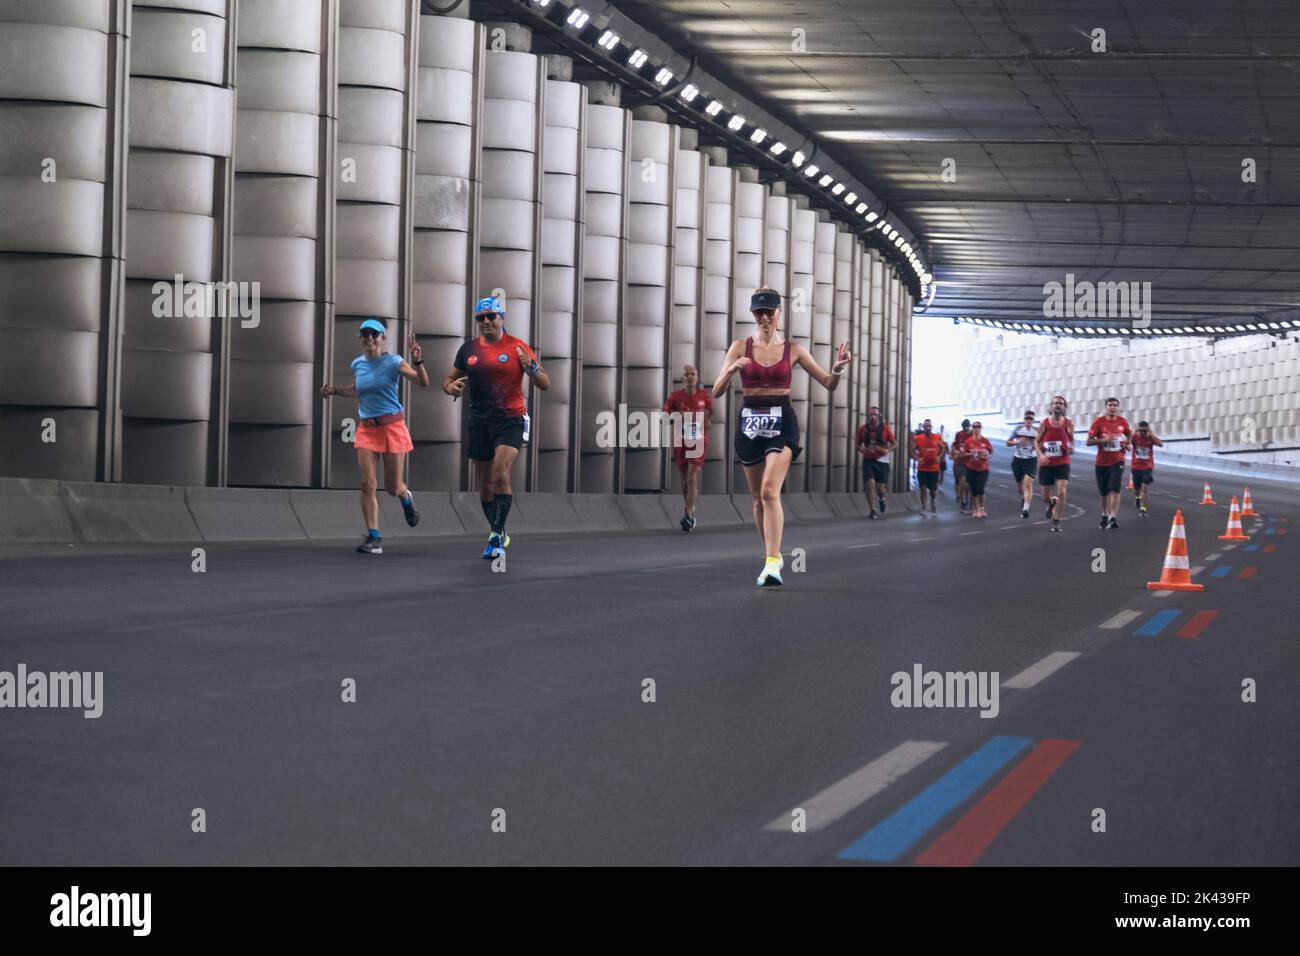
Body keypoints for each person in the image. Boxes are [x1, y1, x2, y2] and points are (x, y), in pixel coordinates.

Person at [712, 287, 850, 586]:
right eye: (758, 313)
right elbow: (716, 390)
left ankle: (773, 563)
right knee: (757, 499)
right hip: (750, 422)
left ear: (779, 313)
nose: (764, 318)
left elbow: (828, 383)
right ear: (753, 315)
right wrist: (732, 369)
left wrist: (837, 370)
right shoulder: (739, 347)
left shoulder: (795, 350)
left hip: (781, 421)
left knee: (769, 491)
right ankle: (771, 553)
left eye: (769, 312)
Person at [442, 296, 550, 559]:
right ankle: (497, 529)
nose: (486, 321)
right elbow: (449, 379)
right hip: (479, 421)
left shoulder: (518, 347)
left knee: (501, 472)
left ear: (502, 318)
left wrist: (532, 367)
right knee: (486, 481)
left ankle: (495, 538)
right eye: (481, 318)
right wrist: (450, 387)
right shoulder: (468, 350)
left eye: (491, 316)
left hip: (510, 419)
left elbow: (545, 383)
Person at [320, 318, 428, 554]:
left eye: (374, 334)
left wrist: (417, 359)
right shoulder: (358, 364)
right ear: (360, 338)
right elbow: (358, 389)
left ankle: (405, 496)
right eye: (365, 334)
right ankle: (374, 537)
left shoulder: (393, 362)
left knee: (392, 487)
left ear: (382, 338)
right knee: (367, 483)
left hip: (392, 427)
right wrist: (335, 391)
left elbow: (422, 382)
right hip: (367, 428)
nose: (370, 339)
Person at [663, 365, 713, 531]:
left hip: (698, 439)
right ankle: (688, 509)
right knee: (684, 479)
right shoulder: (675, 397)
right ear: (682, 379)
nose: (690, 377)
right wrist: (675, 418)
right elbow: (664, 414)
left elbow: (711, 412)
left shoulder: (703, 396)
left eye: (693, 374)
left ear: (697, 378)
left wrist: (707, 421)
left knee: (692, 476)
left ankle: (690, 515)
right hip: (681, 440)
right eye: (687, 375)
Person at [1086, 397, 1132, 530]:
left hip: (1118, 460)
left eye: (1115, 405)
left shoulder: (1122, 422)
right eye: (1110, 405)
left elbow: (1129, 434)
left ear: (1118, 408)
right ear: (1106, 407)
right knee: (1104, 492)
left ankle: (1113, 517)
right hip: (1102, 462)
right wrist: (1103, 440)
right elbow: (1089, 442)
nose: (1113, 407)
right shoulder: (1098, 422)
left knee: (1115, 488)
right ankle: (1104, 515)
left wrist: (1127, 443)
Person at [1035, 395, 1073, 532]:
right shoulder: (1044, 423)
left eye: (1061, 403)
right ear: (1051, 406)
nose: (1058, 405)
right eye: (1055, 403)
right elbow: (1036, 442)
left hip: (1063, 462)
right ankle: (1051, 503)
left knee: (1062, 491)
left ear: (1064, 407)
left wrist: (1069, 448)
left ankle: (1056, 521)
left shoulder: (1068, 423)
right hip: (1047, 464)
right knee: (1045, 496)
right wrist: (1041, 455)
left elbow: (1071, 441)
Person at [856, 406, 896, 518]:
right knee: (870, 484)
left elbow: (894, 443)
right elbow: (858, 443)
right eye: (871, 415)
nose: (873, 417)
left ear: (879, 416)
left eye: (875, 415)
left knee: (881, 488)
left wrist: (887, 450)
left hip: (882, 460)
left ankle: (882, 498)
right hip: (868, 460)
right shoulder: (863, 429)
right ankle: (872, 510)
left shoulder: (886, 429)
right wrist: (862, 449)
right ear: (868, 416)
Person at [1006, 410, 1038, 518]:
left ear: (1033, 420)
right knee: (1021, 488)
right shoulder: (1018, 429)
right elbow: (1008, 442)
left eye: (1030, 419)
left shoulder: (1036, 431)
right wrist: (1017, 442)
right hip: (1018, 459)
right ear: (1024, 420)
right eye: (1026, 418)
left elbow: (1042, 445)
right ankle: (1024, 497)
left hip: (1031, 460)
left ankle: (1025, 509)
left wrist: (1035, 444)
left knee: (1028, 483)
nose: (1028, 421)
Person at [1129, 420, 1163, 516]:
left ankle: (1143, 509)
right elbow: (1127, 442)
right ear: (1138, 430)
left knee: (1145, 487)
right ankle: (1137, 498)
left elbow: (1160, 444)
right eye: (1141, 431)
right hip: (1136, 466)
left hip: (1147, 467)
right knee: (1137, 488)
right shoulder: (1135, 437)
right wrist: (1133, 433)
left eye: (1145, 431)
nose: (1143, 433)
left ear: (1148, 430)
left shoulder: (1150, 437)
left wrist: (1151, 435)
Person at [912, 419, 945, 515]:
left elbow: (943, 448)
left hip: (934, 468)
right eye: (926, 426)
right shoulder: (918, 438)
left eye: (929, 426)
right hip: (922, 468)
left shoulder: (937, 437)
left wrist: (939, 457)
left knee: (933, 490)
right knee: (923, 488)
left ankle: (933, 500)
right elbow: (911, 450)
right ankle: (924, 507)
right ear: (923, 427)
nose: (927, 427)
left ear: (931, 427)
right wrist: (917, 459)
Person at [960, 421, 993, 518]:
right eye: (974, 427)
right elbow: (963, 454)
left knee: (980, 488)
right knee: (973, 490)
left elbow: (991, 452)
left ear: (981, 428)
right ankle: (976, 509)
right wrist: (971, 454)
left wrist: (987, 455)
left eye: (978, 427)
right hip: (971, 468)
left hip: (983, 468)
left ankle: (982, 508)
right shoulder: (968, 441)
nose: (976, 428)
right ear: (972, 428)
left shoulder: (985, 441)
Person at [951, 419, 973, 512]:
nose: (965, 429)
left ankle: (969, 498)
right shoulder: (958, 434)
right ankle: (963, 501)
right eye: (964, 427)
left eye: (967, 427)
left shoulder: (974, 435)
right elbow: (954, 445)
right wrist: (955, 451)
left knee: (968, 485)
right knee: (962, 481)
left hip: (971, 462)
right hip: (960, 462)